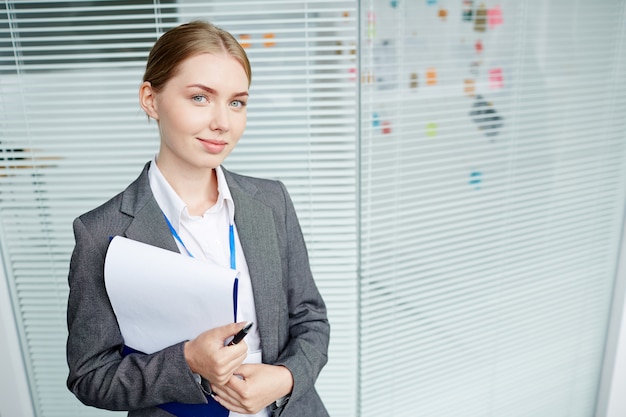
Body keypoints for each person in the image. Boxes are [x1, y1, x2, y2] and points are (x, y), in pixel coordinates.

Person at [66, 21, 330, 417]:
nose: (223, 122)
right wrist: (186, 361)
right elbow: (90, 376)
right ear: (150, 99)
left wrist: (284, 378)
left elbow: (311, 319)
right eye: (200, 98)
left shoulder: (272, 201)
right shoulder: (102, 233)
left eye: (236, 102)